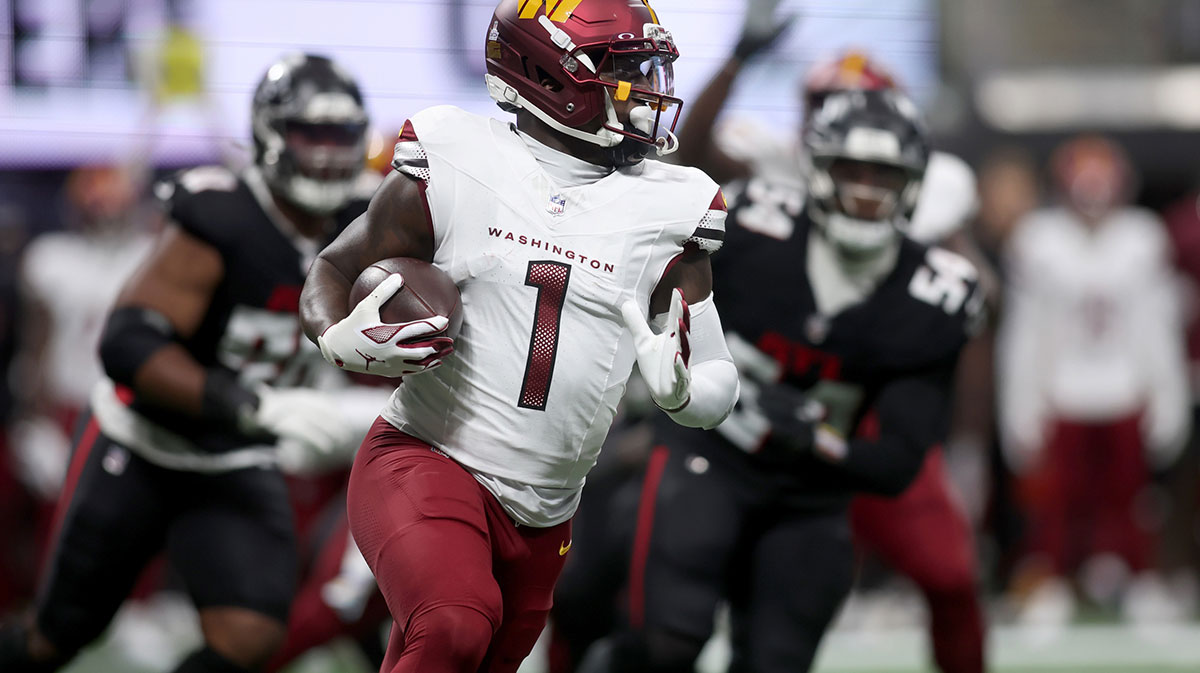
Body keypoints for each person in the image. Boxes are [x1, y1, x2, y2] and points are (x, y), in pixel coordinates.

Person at [297, 1, 741, 671]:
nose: (646, 91)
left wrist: (683, 391)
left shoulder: (669, 206)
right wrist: (337, 335)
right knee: (452, 623)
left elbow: (717, 378)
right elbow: (332, 267)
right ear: (548, 73)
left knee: (461, 653)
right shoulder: (458, 160)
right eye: (623, 72)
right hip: (428, 456)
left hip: (546, 511)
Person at [0, 52, 377, 673]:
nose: (329, 153)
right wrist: (249, 402)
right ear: (271, 135)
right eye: (311, 133)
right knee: (58, 635)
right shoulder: (223, 214)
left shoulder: (362, 221)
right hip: (145, 443)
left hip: (235, 454)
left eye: (342, 135)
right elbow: (128, 344)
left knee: (251, 637)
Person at [600, 89, 981, 673]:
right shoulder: (753, 225)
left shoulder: (935, 294)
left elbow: (898, 461)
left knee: (776, 663)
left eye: (884, 175)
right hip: (710, 457)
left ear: (913, 183)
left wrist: (818, 437)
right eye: (851, 171)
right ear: (817, 169)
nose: (866, 191)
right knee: (663, 642)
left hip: (811, 494)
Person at [998, 134, 1190, 623]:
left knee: (1134, 504)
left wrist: (1168, 395)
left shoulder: (1142, 238)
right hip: (1062, 391)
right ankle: (1049, 584)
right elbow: (1025, 334)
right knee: (1054, 506)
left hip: (1124, 389)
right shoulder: (1038, 240)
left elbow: (1158, 326)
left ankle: (1142, 581)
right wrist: (1022, 402)